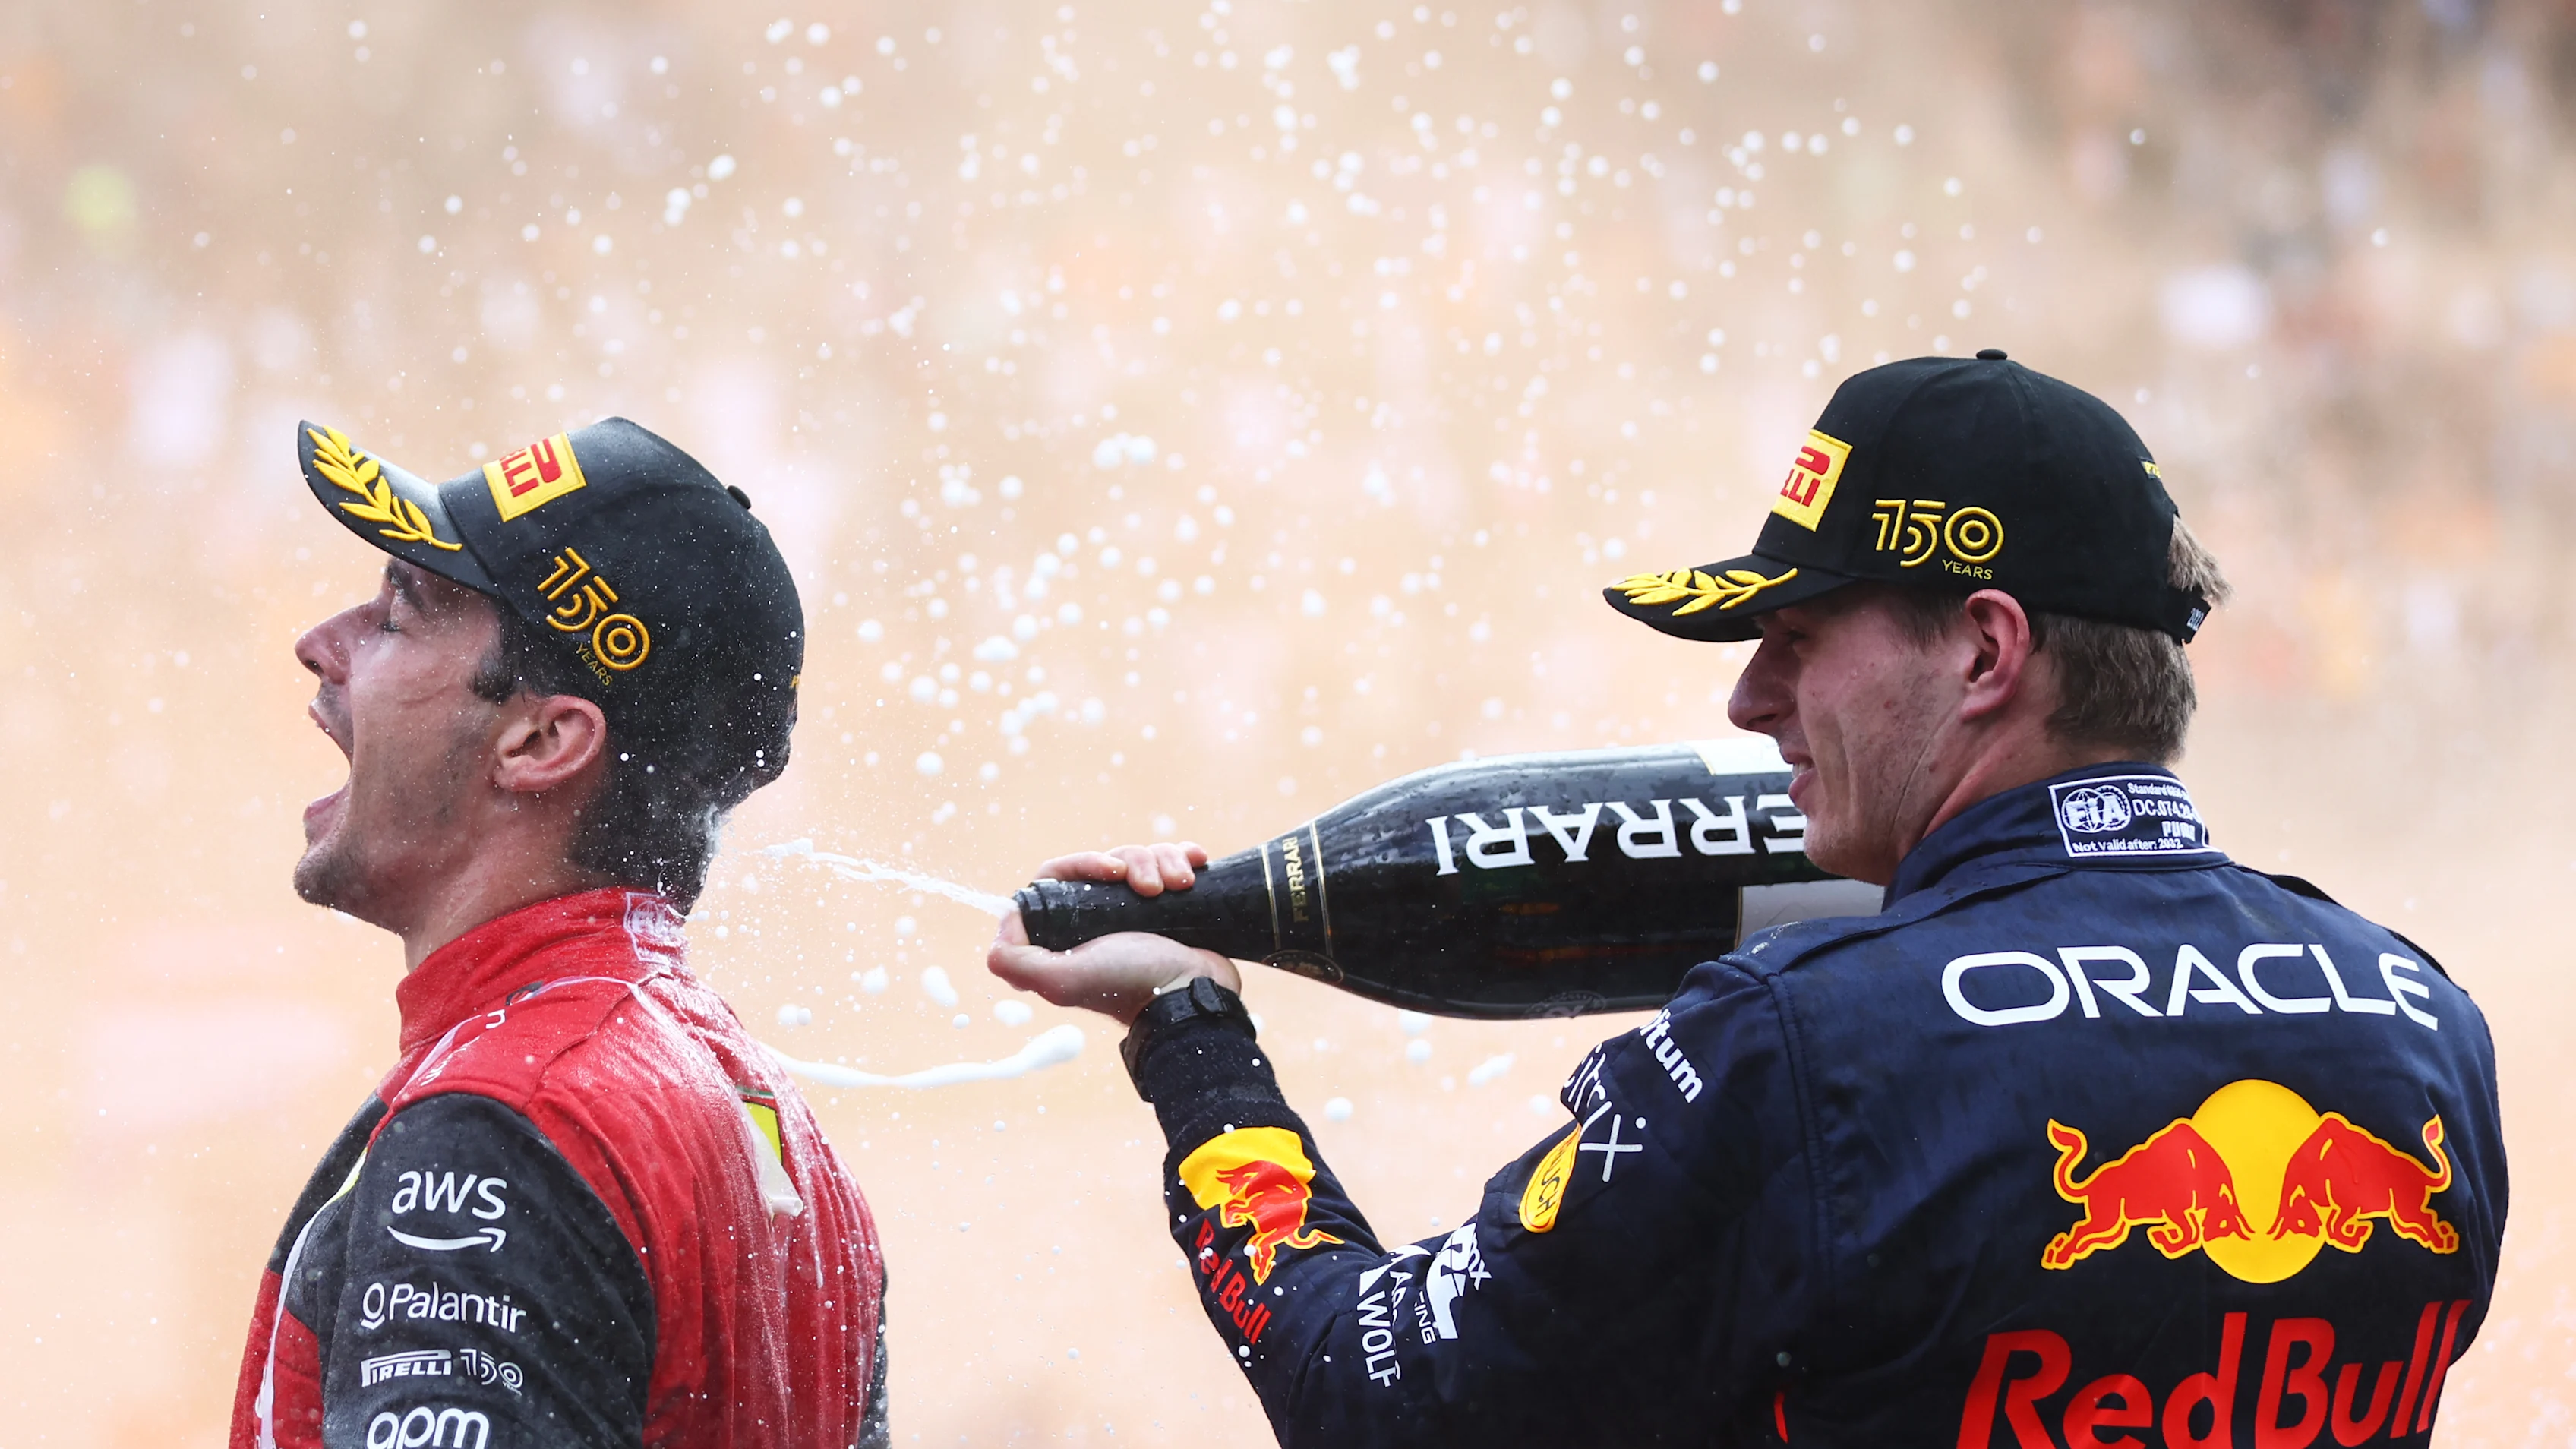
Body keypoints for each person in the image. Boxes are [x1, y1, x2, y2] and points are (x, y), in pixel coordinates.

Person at [988, 352, 2506, 1446]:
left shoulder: (1798, 1052)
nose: (1744, 700)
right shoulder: (2420, 1022)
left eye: (1798, 634)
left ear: (1984, 653)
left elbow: (1375, 1399)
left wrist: (1190, 1033)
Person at [229, 419, 888, 1449]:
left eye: (399, 614)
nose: (323, 642)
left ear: (540, 741)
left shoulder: (503, 1120)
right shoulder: (780, 1129)